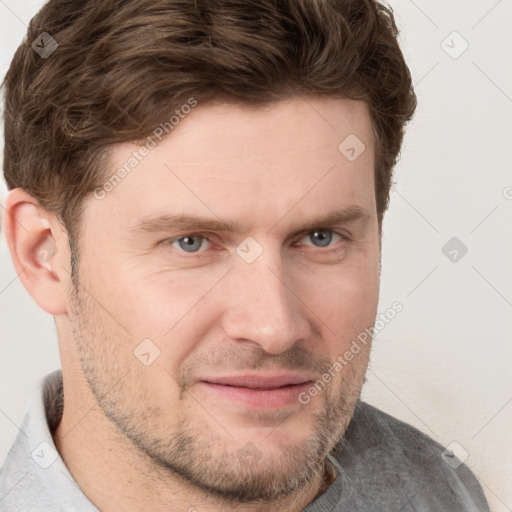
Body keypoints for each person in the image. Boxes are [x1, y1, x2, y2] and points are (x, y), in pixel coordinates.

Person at [0, 0, 489, 510]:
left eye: (321, 237)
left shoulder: (444, 489)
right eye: (191, 242)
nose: (274, 327)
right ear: (44, 254)